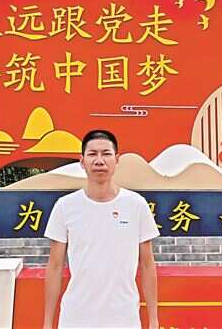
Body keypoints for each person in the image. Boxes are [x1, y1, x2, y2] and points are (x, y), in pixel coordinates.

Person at [42, 129, 160, 329]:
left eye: (106, 154)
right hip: (76, 318)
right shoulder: (65, 206)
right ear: (82, 161)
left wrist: (153, 319)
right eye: (92, 154)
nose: (99, 161)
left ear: (117, 160)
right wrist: (47, 323)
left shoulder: (136, 204)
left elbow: (147, 264)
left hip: (124, 318)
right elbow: (54, 266)